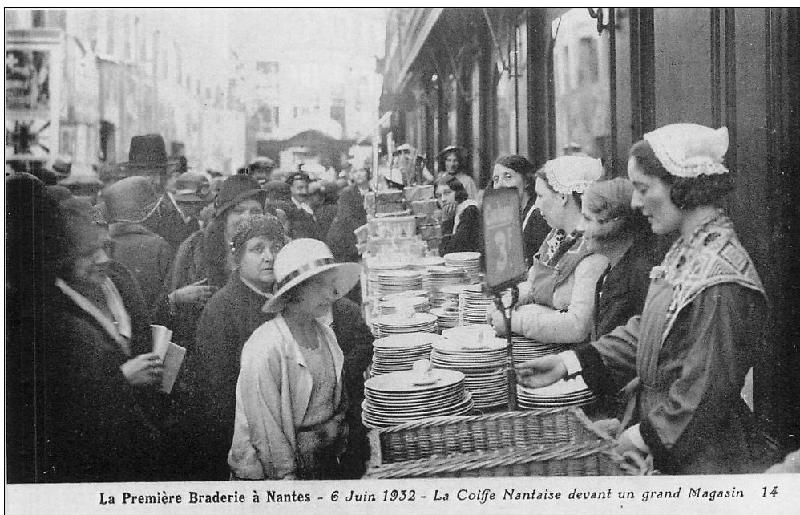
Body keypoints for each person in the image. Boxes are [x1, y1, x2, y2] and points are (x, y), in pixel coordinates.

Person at [516, 124, 772, 474]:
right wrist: (569, 363)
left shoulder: (720, 277)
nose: (635, 203)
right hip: (667, 430)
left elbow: (704, 394)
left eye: (643, 188)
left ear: (682, 188)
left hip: (701, 457)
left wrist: (641, 438)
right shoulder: (688, 248)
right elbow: (649, 331)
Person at [43, 200, 166, 482]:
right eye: (89, 252)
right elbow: (60, 406)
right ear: (64, 256)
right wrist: (122, 379)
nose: (102, 259)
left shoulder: (119, 280)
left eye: (106, 247)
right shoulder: (53, 310)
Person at [228, 239, 360, 480]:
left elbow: (336, 403)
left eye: (332, 285)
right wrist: (288, 480)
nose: (331, 293)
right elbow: (267, 436)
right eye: (321, 285)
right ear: (294, 290)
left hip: (322, 465)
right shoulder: (266, 347)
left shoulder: (325, 334)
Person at [190, 214, 288, 479]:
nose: (269, 256)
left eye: (275, 247)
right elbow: (219, 393)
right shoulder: (221, 310)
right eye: (258, 249)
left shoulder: (284, 298)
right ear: (238, 258)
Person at [488, 155, 607, 346]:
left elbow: (577, 326)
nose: (536, 204)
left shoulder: (592, 252)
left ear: (562, 197)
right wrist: (508, 299)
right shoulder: (558, 237)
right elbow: (535, 283)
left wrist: (513, 321)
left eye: (541, 196)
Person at [164, 174, 265, 349]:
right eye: (238, 211)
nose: (247, 217)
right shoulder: (194, 248)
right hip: (204, 345)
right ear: (224, 215)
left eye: (255, 211)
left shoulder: (275, 248)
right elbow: (171, 303)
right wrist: (179, 298)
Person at [578, 177, 668, 339]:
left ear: (615, 223)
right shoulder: (611, 269)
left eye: (587, 219)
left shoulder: (640, 274)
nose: (579, 227)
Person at [103, 176, 174, 313]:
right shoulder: (159, 247)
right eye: (155, 208)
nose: (158, 214)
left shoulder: (102, 244)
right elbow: (166, 300)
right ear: (146, 213)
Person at [490, 155, 551, 266]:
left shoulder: (538, 216)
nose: (499, 186)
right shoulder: (510, 215)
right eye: (496, 179)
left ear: (526, 181)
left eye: (508, 177)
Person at [327, 161, 372, 264]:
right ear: (351, 175)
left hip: (365, 238)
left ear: (367, 172)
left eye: (361, 170)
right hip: (349, 240)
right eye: (355, 171)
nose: (359, 174)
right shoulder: (347, 193)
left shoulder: (373, 192)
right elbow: (347, 218)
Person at [438, 175, 481, 255]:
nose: (443, 199)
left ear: (458, 192)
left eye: (447, 193)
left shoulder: (470, 211)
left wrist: (446, 221)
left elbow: (448, 251)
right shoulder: (455, 211)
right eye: (439, 196)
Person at [284, 171, 322, 240]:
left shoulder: (309, 207)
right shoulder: (287, 208)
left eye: (306, 188)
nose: (304, 192)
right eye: (300, 188)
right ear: (291, 188)